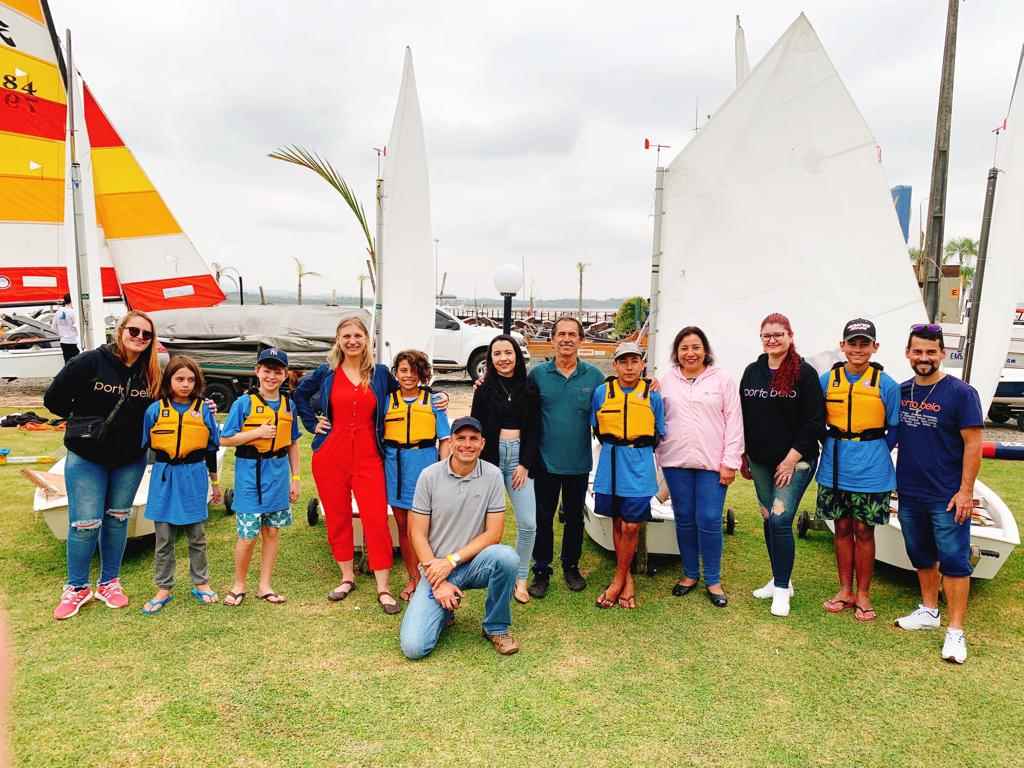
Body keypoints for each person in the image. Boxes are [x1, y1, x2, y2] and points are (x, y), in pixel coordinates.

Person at [44, 311, 162, 620]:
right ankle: (77, 587)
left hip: (130, 459)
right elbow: (53, 400)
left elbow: (164, 406)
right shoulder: (90, 361)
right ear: (121, 331)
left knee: (118, 520)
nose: (139, 337)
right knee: (84, 523)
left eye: (146, 334)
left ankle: (110, 582)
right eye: (133, 330)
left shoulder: (150, 373)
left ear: (151, 340)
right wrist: (84, 419)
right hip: (88, 456)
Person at [292, 317, 400, 614]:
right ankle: (347, 577)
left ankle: (383, 586)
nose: (352, 341)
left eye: (357, 335)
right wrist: (313, 423)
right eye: (346, 336)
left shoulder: (379, 374)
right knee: (337, 516)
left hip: (369, 457)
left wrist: (438, 398)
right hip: (331, 455)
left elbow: (410, 390)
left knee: (375, 518)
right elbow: (299, 393)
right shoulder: (326, 372)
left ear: (367, 339)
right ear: (337, 341)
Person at [893, 323, 983, 664]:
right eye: (918, 351)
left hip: (946, 494)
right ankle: (929, 611)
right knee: (920, 552)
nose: (924, 358)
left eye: (931, 352)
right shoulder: (902, 391)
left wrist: (965, 492)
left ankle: (956, 631)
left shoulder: (961, 393)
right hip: (910, 492)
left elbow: (973, 445)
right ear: (907, 354)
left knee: (955, 560)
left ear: (943, 353)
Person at [399, 416, 520, 658]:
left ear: (483, 443)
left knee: (507, 558)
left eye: (473, 439)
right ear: (451, 442)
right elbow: (417, 534)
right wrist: (439, 580)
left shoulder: (493, 475)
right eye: (460, 438)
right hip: (435, 569)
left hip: (472, 564)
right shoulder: (429, 476)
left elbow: (493, 534)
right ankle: (444, 610)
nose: (467, 444)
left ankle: (496, 627)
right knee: (414, 648)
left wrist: (451, 561)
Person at [739, 313, 825, 617]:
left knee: (779, 520)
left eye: (778, 334)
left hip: (795, 461)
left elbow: (815, 422)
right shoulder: (752, 372)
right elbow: (744, 416)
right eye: (767, 335)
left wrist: (790, 460)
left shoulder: (804, 373)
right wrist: (743, 454)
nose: (772, 340)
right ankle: (779, 580)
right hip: (760, 460)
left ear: (790, 335)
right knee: (767, 519)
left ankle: (782, 589)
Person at [816, 319, 900, 622]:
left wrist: (873, 450)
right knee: (841, 528)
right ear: (843, 345)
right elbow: (814, 420)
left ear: (875, 347)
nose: (858, 349)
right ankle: (844, 590)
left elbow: (894, 428)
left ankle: (863, 594)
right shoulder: (827, 380)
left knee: (864, 531)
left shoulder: (886, 385)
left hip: (872, 470)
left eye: (865, 343)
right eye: (853, 343)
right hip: (834, 468)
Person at [657, 327, 743, 607]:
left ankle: (713, 580)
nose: (690, 353)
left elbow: (734, 422)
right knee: (684, 517)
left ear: (705, 350)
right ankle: (690, 574)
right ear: (676, 353)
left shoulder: (722, 380)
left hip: (712, 463)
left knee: (708, 519)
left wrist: (730, 462)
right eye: (684, 348)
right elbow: (657, 418)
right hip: (676, 461)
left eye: (696, 347)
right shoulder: (666, 381)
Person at [527, 316, 605, 598]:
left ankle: (571, 566)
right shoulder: (537, 375)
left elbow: (617, 399)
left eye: (573, 334)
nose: (567, 339)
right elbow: (521, 406)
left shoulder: (595, 377)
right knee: (543, 518)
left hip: (579, 461)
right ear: (553, 339)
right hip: (546, 461)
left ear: (581, 340)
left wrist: (653, 385)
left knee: (574, 518)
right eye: (561, 334)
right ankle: (541, 570)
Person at [139, 355, 222, 614]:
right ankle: (164, 587)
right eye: (179, 379)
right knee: (164, 537)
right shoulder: (154, 410)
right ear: (169, 380)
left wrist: (215, 483)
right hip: (164, 478)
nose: (185, 384)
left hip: (194, 476)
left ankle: (202, 582)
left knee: (196, 535)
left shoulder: (204, 409)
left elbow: (211, 448)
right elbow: (144, 448)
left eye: (190, 379)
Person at [219, 348, 301, 607]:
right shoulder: (243, 403)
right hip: (250, 475)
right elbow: (225, 438)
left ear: (285, 375)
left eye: (278, 371)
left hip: (277, 476)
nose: (272, 376)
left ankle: (264, 586)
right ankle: (238, 585)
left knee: (272, 531)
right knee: (247, 534)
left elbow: (293, 443)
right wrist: (257, 433)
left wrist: (295, 478)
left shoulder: (289, 404)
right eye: (267, 370)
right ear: (257, 372)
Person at [591, 342, 666, 609]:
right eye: (624, 361)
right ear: (615, 365)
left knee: (632, 525)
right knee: (617, 521)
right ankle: (627, 580)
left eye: (635, 361)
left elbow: (659, 430)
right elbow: (596, 426)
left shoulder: (653, 395)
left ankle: (618, 579)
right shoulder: (602, 392)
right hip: (610, 462)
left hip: (639, 464)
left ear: (642, 364)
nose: (630, 366)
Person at [471, 335, 540, 604]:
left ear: (517, 355)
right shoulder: (483, 388)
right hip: (490, 459)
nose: (503, 358)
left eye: (508, 353)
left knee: (527, 523)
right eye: (497, 354)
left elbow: (535, 430)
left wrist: (524, 463)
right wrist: (481, 466)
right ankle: (484, 573)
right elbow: (475, 427)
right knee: (484, 524)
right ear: (490, 359)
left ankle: (520, 578)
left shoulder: (529, 387)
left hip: (518, 460)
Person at [383, 349, 451, 602]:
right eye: (403, 370)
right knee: (403, 527)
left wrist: (444, 472)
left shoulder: (433, 400)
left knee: (420, 529)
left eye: (413, 370)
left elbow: (445, 439)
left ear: (422, 373)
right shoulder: (387, 401)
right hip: (395, 469)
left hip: (424, 467)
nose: (408, 375)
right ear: (396, 373)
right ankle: (413, 578)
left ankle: (430, 577)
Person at [52, 293, 80, 363]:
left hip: (63, 341)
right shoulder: (73, 312)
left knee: (67, 363)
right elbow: (78, 326)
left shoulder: (58, 312)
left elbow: (53, 327)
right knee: (77, 364)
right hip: (74, 341)